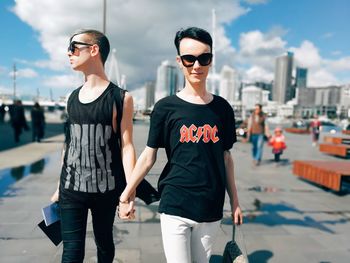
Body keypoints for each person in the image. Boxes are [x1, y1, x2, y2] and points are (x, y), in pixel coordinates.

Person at [118, 27, 243, 263]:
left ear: (211, 60)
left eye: (203, 58)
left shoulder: (223, 109)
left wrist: (235, 201)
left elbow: (226, 158)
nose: (197, 65)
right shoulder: (166, 108)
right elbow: (148, 156)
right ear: (179, 61)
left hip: (211, 206)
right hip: (175, 201)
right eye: (189, 58)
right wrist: (127, 194)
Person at [50, 29, 136, 263]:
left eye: (74, 47)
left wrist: (128, 194)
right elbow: (69, 144)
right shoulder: (71, 97)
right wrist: (59, 186)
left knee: (104, 245)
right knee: (71, 253)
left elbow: (127, 147)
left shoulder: (121, 98)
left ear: (94, 50)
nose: (69, 53)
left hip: (106, 190)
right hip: (71, 189)